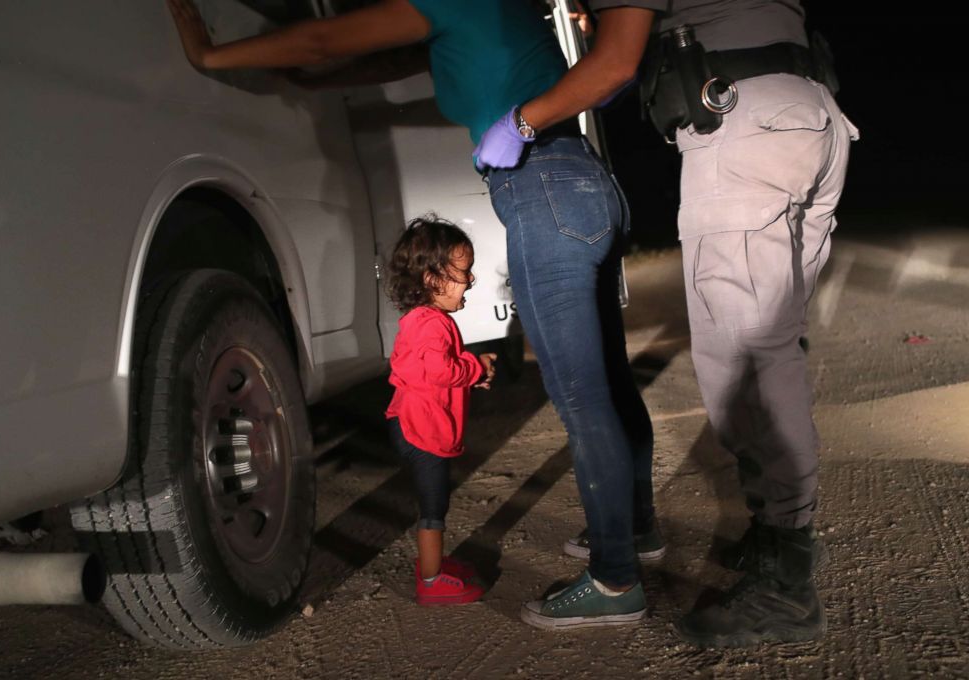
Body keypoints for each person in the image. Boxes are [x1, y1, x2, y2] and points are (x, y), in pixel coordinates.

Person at [167, 0, 660, 629]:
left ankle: (616, 577)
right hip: (584, 184)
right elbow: (382, 59)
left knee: (581, 398)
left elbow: (322, 39)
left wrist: (210, 54)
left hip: (540, 190)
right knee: (609, 385)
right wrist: (311, 80)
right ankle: (635, 530)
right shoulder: (491, 12)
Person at [477, 0, 857, 647]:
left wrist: (521, 119)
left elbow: (616, 62)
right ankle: (777, 541)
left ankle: (786, 585)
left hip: (745, 128)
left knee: (746, 366)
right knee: (775, 346)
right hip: (810, 112)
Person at [384, 217, 494, 606]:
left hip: (410, 423)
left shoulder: (422, 321)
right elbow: (439, 370)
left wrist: (470, 372)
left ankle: (434, 564)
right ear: (433, 279)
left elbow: (431, 370)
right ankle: (430, 580)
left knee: (434, 503)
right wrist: (475, 368)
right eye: (463, 272)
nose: (470, 280)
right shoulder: (432, 324)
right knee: (434, 507)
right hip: (422, 430)